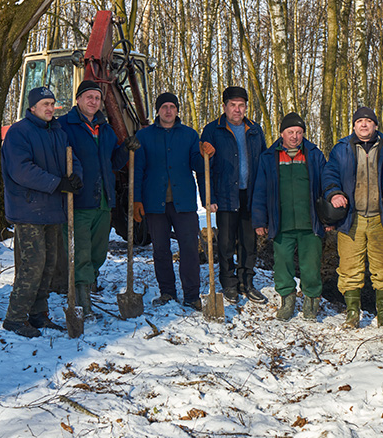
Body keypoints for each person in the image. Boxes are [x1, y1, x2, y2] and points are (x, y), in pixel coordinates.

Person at [1, 86, 83, 337]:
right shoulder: (19, 133)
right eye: (45, 104)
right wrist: (57, 184)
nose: (50, 108)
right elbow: (21, 170)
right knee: (32, 266)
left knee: (48, 265)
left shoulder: (57, 132)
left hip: (52, 210)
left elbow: (72, 159)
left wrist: (75, 177)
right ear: (33, 107)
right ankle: (15, 318)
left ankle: (38, 314)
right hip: (28, 210)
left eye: (52, 103)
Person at [57, 80, 134, 320]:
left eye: (97, 98)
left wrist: (126, 150)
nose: (94, 101)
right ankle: (84, 301)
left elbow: (111, 163)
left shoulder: (106, 129)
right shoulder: (64, 126)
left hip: (103, 201)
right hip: (79, 201)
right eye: (89, 97)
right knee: (80, 252)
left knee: (99, 252)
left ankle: (88, 284)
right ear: (78, 99)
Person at [321, 106, 383, 328]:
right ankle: (352, 314)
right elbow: (330, 174)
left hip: (381, 218)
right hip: (351, 219)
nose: (364, 125)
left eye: (368, 121)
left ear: (376, 125)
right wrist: (334, 192)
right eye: (360, 121)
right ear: (354, 125)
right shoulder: (341, 149)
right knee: (349, 268)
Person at [133, 92, 208, 311]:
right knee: (160, 250)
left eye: (172, 107)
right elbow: (137, 170)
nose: (168, 110)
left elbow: (197, 164)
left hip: (183, 202)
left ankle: (192, 295)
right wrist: (137, 200)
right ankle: (167, 292)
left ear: (177, 110)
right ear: (157, 110)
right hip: (155, 203)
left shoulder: (189, 135)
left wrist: (205, 155)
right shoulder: (144, 136)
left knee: (189, 249)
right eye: (164, 106)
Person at [252, 113, 330, 321]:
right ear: (282, 134)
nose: (295, 136)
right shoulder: (269, 157)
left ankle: (311, 300)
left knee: (311, 264)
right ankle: (287, 299)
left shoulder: (314, 154)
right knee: (282, 263)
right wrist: (260, 220)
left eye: (299, 132)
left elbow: (326, 185)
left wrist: (328, 219)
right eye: (290, 132)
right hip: (281, 222)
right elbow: (260, 190)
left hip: (310, 221)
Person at [200, 86, 268, 304]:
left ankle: (246, 282)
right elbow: (203, 168)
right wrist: (208, 198)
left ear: (246, 107)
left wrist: (263, 197)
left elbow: (264, 164)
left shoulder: (255, 130)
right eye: (233, 105)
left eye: (241, 105)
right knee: (227, 242)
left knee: (249, 242)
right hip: (225, 195)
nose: (237, 110)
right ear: (224, 107)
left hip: (250, 195)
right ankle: (229, 283)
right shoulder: (213, 130)